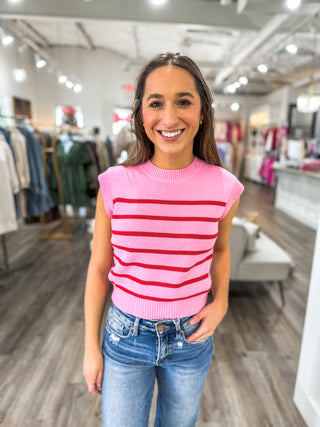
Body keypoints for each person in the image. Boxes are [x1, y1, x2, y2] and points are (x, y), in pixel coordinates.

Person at [83, 52, 244, 427]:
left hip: (191, 338)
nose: (170, 118)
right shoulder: (114, 184)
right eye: (156, 103)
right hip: (125, 337)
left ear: (202, 110)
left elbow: (219, 250)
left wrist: (220, 302)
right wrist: (91, 346)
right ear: (141, 113)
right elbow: (98, 267)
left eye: (184, 102)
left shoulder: (225, 188)